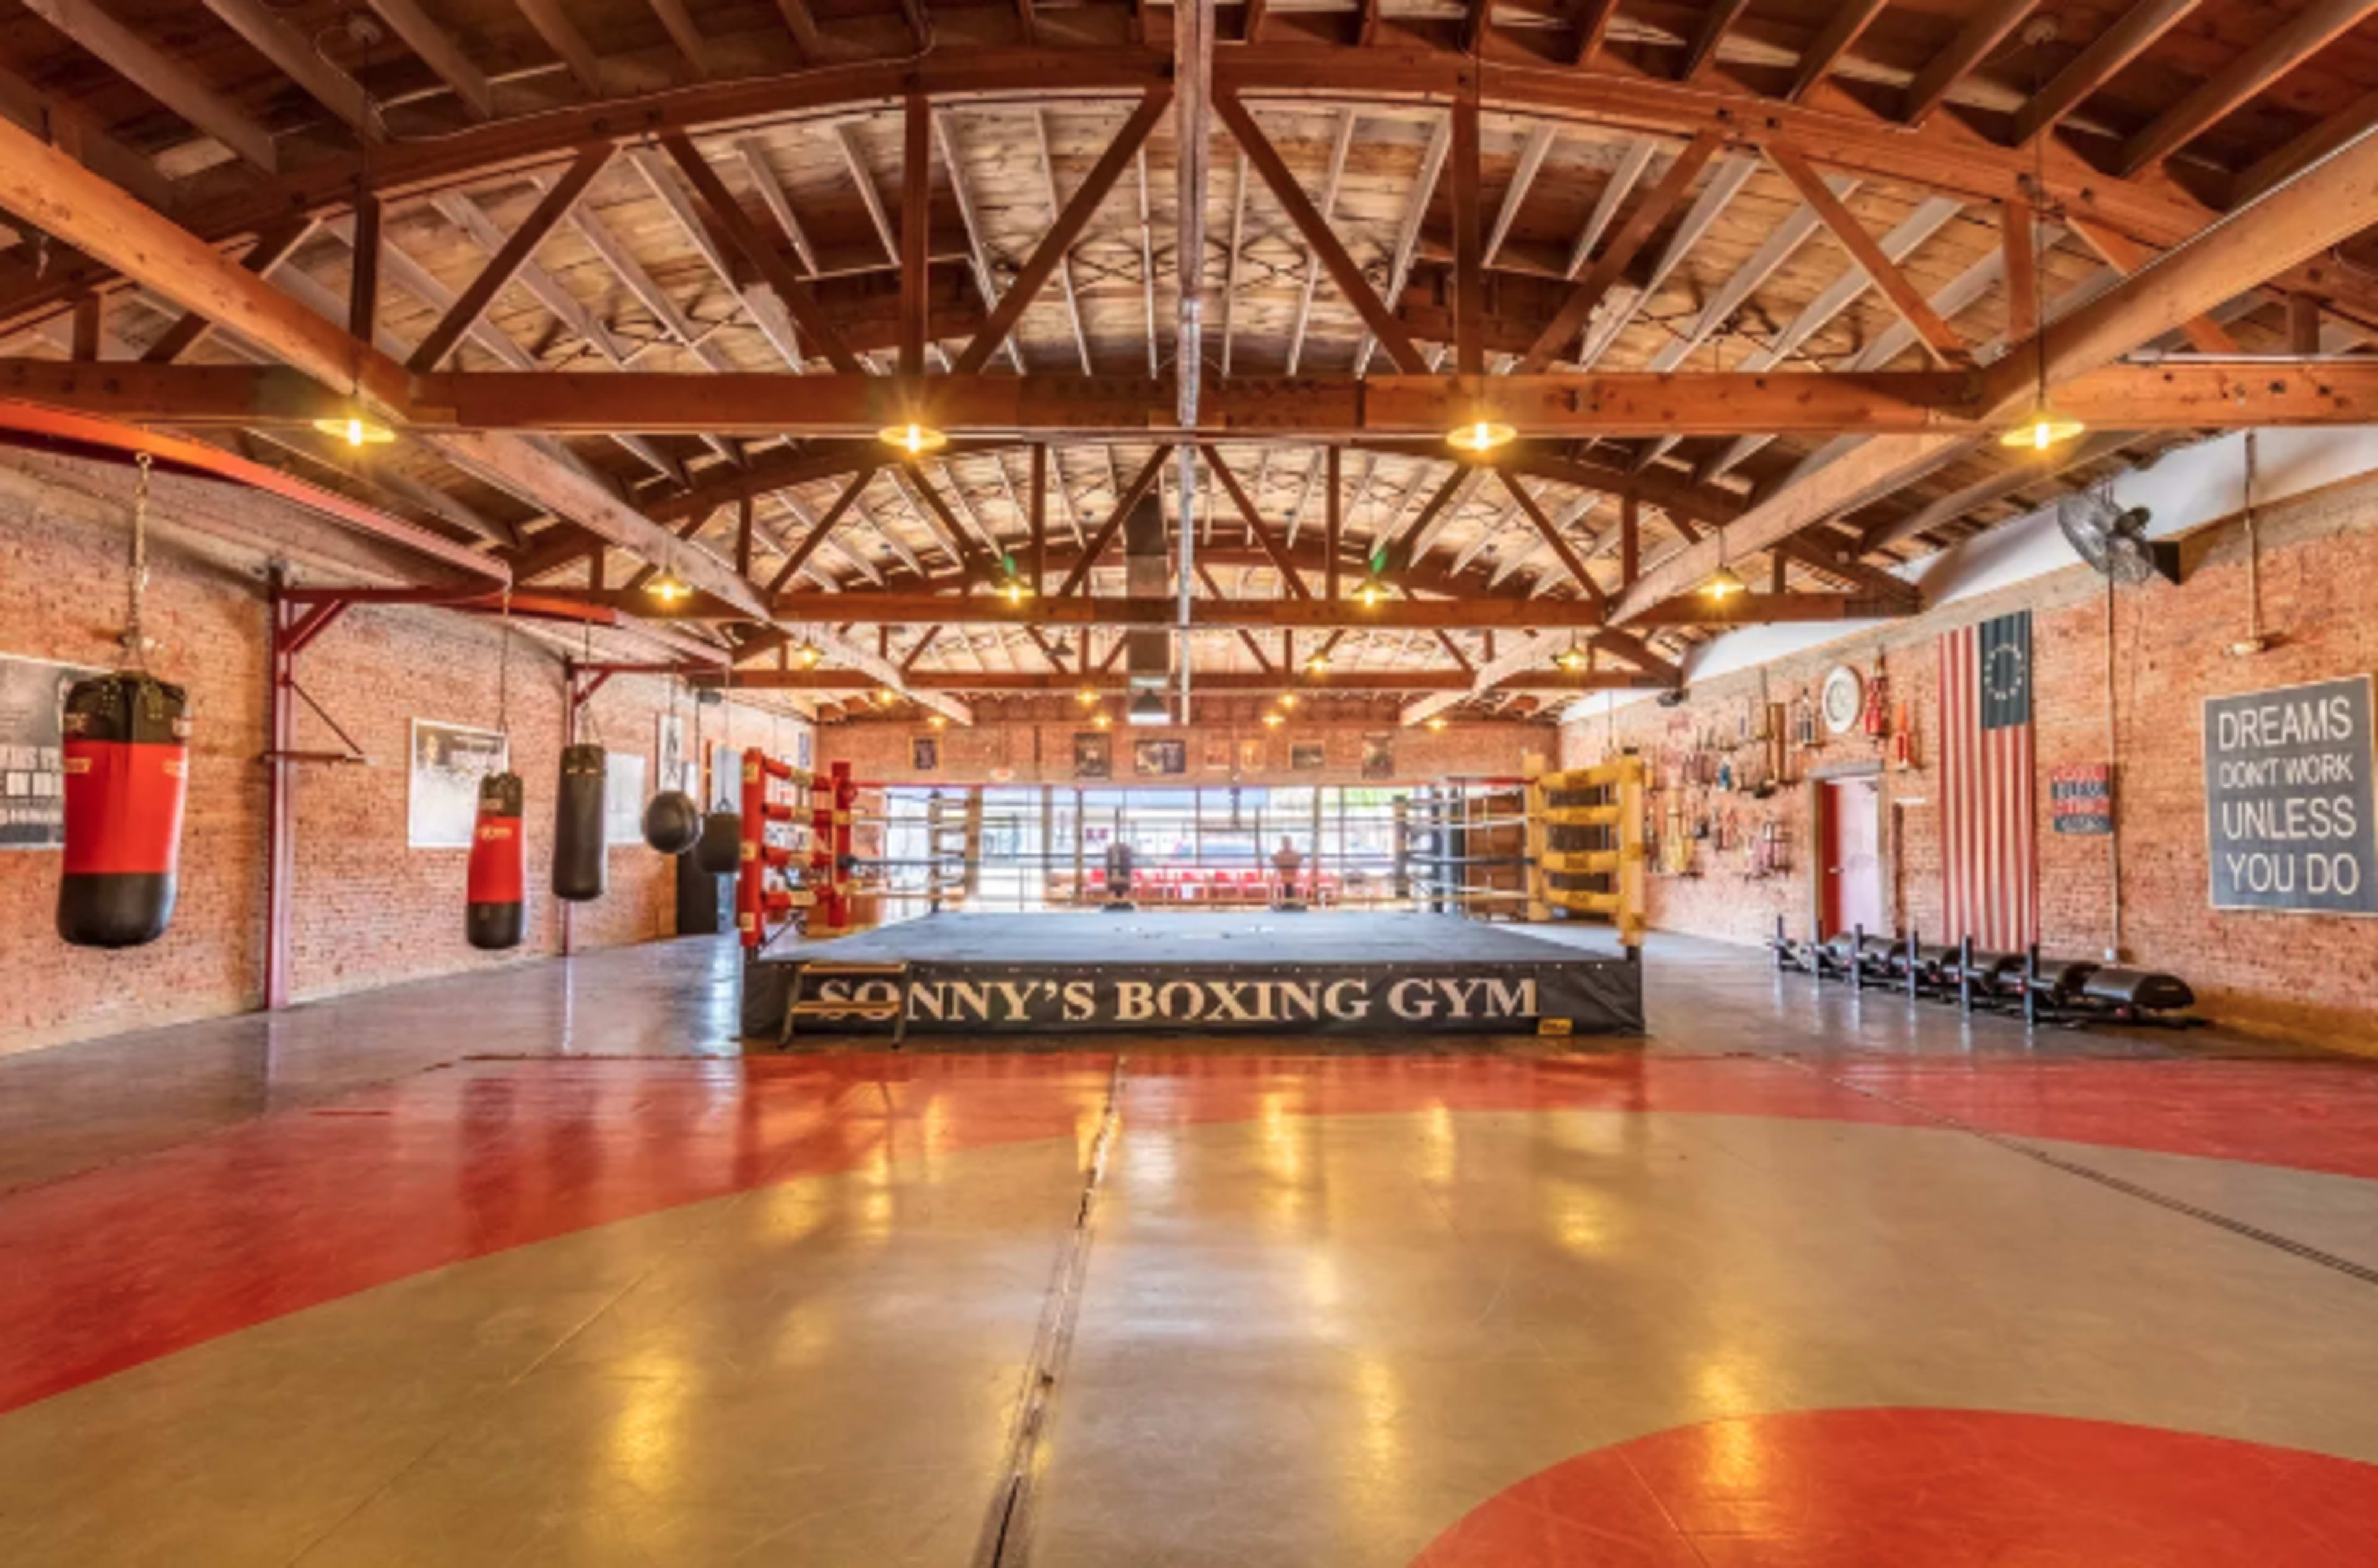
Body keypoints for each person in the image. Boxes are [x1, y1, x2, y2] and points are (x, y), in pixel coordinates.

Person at [1270, 836, 1304, 908]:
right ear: (1282, 844)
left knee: (1290, 886)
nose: (1286, 844)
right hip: (1283, 875)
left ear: (1291, 843)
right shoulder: (1280, 853)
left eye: (1288, 842)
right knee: (1286, 886)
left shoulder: (1295, 853)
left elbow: (1299, 860)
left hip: (1292, 876)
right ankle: (1288, 903)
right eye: (1285, 843)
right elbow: (1275, 861)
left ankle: (1291, 903)